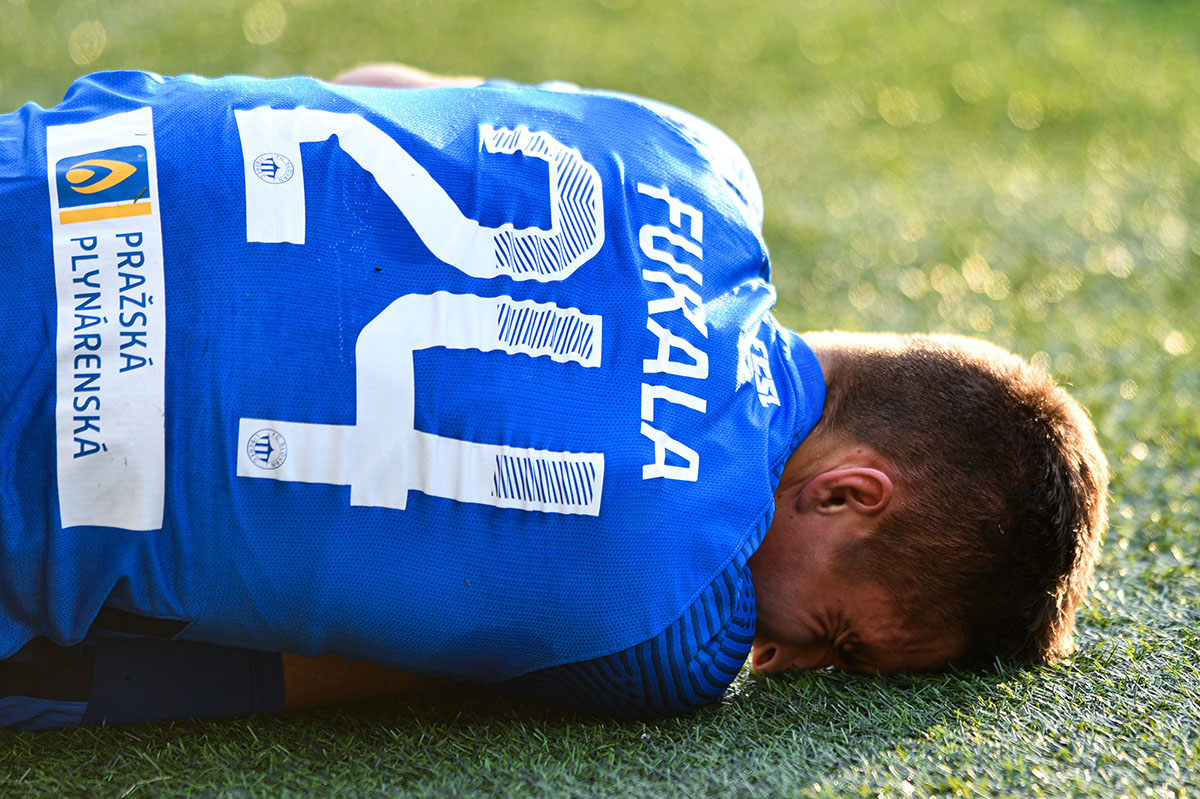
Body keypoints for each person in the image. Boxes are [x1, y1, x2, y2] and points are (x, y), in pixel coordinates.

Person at [0, 65, 1108, 731]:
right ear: (850, 492)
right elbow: (369, 654)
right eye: (838, 638)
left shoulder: (699, 154)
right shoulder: (686, 636)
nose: (794, 661)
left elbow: (376, 82)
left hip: (46, 174)